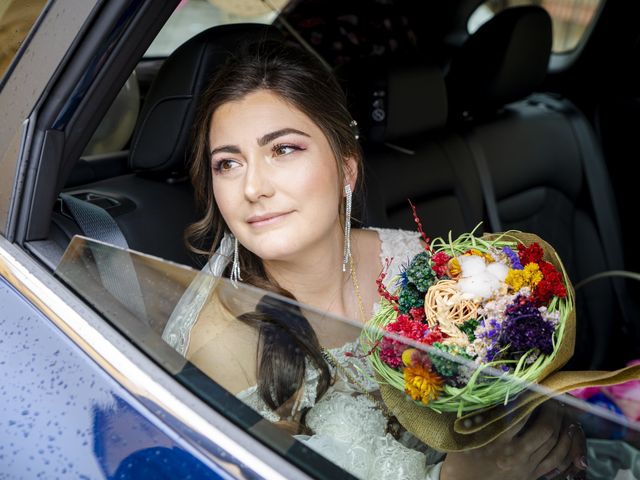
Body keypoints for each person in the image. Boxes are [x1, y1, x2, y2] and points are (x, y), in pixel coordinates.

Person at [162, 40, 587, 480]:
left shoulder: (409, 261)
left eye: (283, 149)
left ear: (347, 168)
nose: (253, 188)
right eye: (228, 163)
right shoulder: (222, 346)